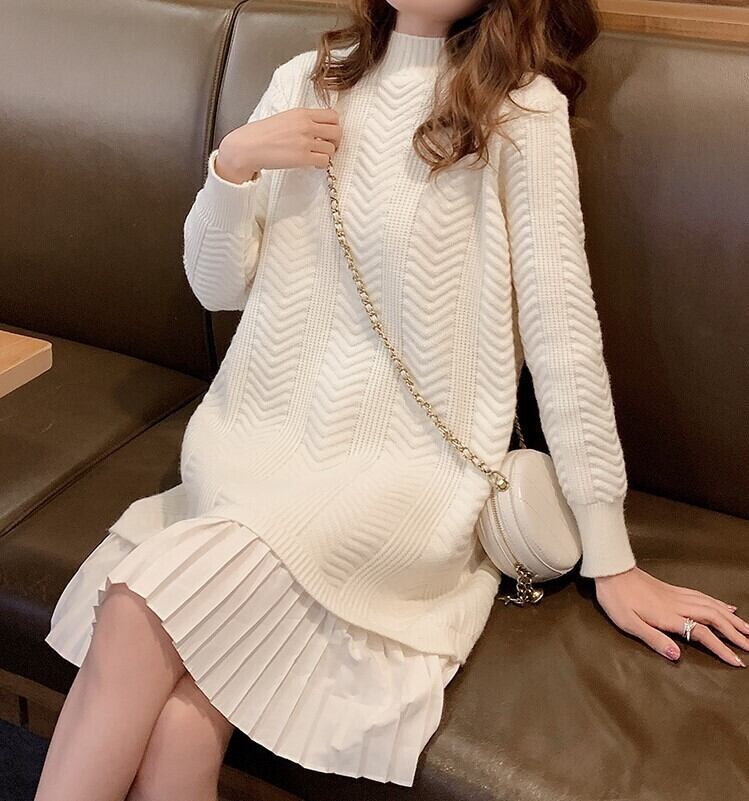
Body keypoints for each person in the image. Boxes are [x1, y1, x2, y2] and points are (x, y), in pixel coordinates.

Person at [37, 1, 749, 798]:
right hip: (251, 442)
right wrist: (232, 165)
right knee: (180, 721)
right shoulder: (303, 80)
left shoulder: (520, 109)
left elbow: (562, 332)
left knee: (136, 609)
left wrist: (610, 557)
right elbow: (217, 287)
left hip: (402, 481)